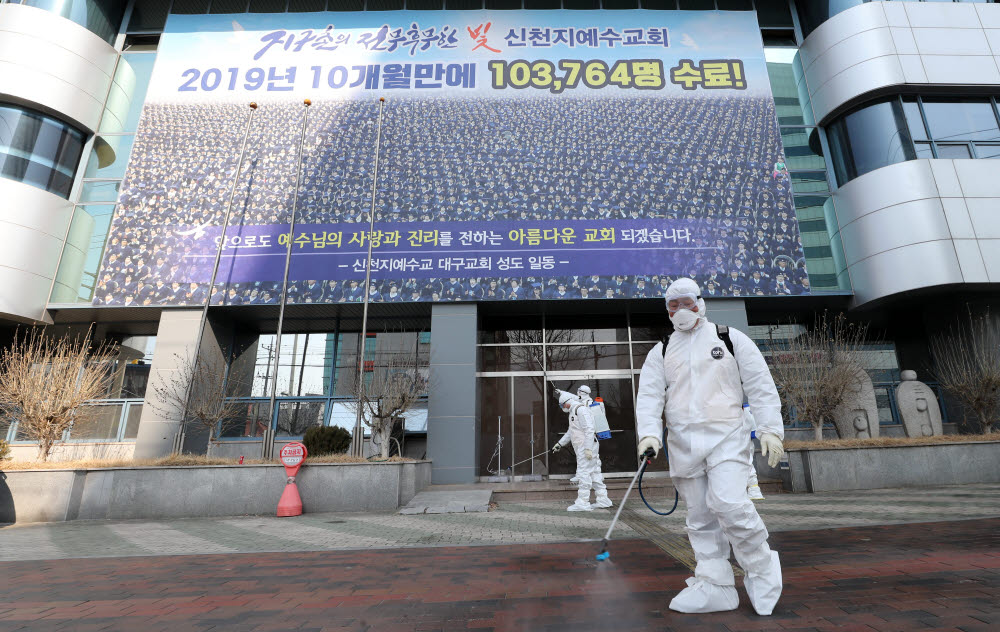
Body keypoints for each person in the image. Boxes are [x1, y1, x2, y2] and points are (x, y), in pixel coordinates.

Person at [635, 278, 785, 616]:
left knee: (730, 504)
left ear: (700, 302)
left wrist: (770, 430)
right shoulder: (661, 350)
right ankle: (715, 584)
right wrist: (648, 434)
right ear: (667, 310)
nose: (681, 310)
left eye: (686, 302)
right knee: (700, 516)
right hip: (683, 443)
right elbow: (648, 396)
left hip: (727, 437)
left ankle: (761, 571)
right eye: (674, 305)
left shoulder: (729, 338)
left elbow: (760, 385)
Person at [551, 390, 612, 511]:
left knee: (584, 473)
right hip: (585, 447)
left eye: (562, 404)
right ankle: (603, 500)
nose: (562, 407)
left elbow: (589, 429)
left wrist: (588, 448)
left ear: (567, 403)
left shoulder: (581, 410)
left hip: (586, 448)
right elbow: (571, 431)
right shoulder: (574, 411)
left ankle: (582, 503)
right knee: (594, 473)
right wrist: (559, 444)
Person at [743, 404, 765, 501]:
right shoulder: (747, 408)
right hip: (745, 441)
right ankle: (753, 489)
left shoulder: (745, 409)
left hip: (742, 441)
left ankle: (754, 489)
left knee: (747, 463)